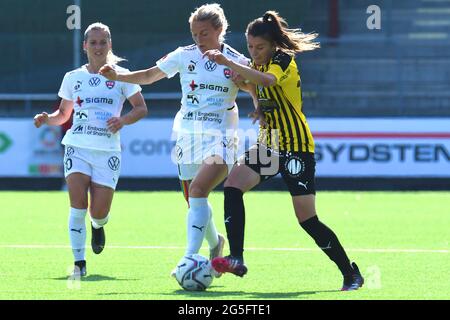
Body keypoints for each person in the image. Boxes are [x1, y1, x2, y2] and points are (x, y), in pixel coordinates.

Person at [203, 11, 364, 291]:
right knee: (232, 186)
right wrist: (256, 105)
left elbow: (268, 82)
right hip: (269, 144)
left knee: (307, 220)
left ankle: (350, 274)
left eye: (259, 47)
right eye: (251, 47)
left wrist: (228, 62)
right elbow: (256, 86)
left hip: (296, 148)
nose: (254, 52)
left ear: (273, 45)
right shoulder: (257, 62)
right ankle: (236, 257)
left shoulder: (282, 59)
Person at [99, 3, 252, 276]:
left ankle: (189, 258)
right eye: (194, 34)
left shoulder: (236, 61)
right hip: (188, 134)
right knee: (194, 199)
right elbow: (149, 75)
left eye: (204, 33)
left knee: (198, 191)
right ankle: (216, 243)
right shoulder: (184, 55)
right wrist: (118, 75)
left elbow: (254, 87)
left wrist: (259, 105)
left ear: (220, 30)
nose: (198, 39)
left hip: (222, 136)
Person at [34, 22, 148, 278]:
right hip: (77, 146)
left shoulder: (122, 75)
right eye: (93, 42)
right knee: (77, 205)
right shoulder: (73, 77)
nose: (98, 47)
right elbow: (63, 115)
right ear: (85, 46)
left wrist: (123, 120)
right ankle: (79, 263)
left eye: (103, 42)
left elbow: (141, 108)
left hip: (107, 152)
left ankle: (98, 225)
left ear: (110, 44)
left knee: (98, 211)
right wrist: (47, 119)